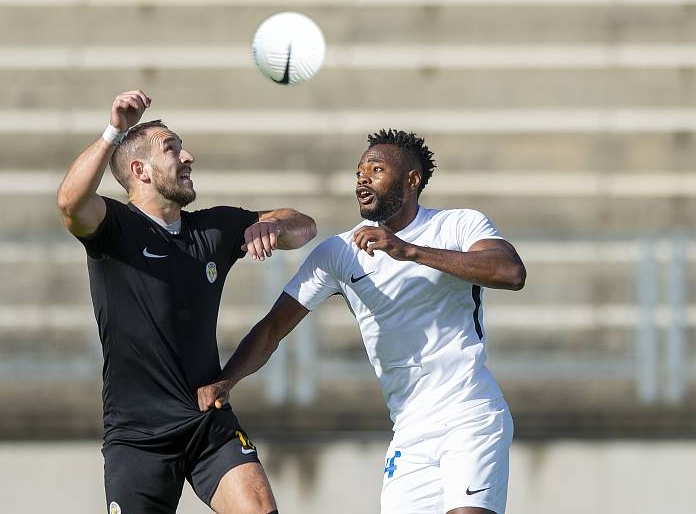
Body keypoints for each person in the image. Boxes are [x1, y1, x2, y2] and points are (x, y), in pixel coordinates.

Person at [196, 129, 526, 514]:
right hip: (409, 432)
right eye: (358, 173)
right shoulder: (338, 253)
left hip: (469, 413)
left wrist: (410, 251)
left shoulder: (457, 225)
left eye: (376, 169)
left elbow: (510, 272)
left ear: (412, 180)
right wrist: (226, 379)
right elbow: (272, 328)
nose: (363, 179)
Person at [57, 90, 316, 514]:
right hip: (138, 437)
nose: (188, 156)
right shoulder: (115, 230)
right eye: (172, 148)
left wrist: (269, 224)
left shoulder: (212, 229)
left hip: (207, 421)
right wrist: (113, 132)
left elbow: (304, 227)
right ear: (140, 170)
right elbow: (70, 203)